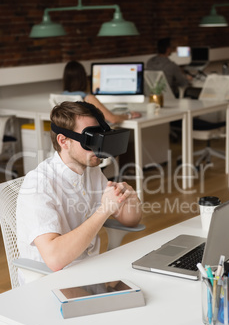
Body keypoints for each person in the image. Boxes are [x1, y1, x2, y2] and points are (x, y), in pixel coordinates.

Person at [16, 101, 142, 285]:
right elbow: (54, 259)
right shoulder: (38, 185)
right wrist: (104, 210)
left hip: (90, 274)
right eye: (90, 140)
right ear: (63, 140)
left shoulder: (91, 171)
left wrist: (129, 199)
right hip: (50, 284)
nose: (98, 148)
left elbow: (131, 220)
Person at [63, 61, 141, 123]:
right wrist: (129, 115)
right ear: (83, 78)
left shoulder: (61, 98)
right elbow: (112, 119)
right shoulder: (88, 98)